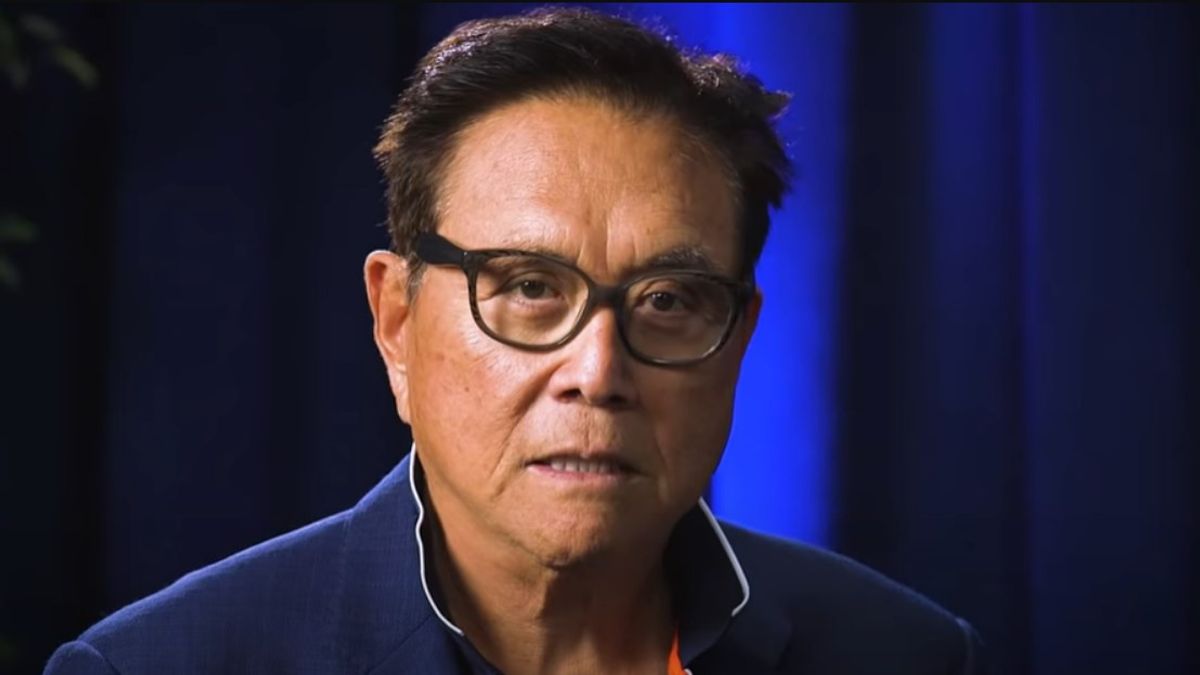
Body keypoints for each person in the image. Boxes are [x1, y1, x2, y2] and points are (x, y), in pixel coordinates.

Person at [46, 7, 989, 674]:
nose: (598, 371)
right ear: (397, 323)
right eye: (531, 288)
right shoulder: (157, 665)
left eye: (668, 299)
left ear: (738, 339)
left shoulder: (905, 654)